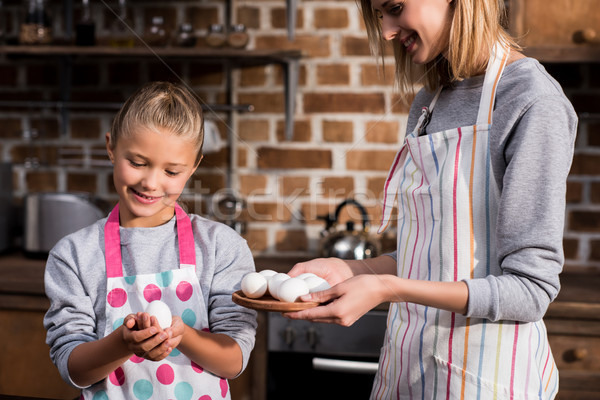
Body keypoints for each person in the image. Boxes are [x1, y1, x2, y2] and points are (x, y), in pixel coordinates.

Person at [287, 0, 577, 399]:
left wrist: (389, 288)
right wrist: (356, 271)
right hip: (406, 370)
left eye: (395, 7)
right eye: (380, 16)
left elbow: (530, 291)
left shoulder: (531, 100)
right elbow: (437, 254)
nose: (388, 31)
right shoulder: (432, 99)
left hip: (484, 378)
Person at [44, 82, 257, 399]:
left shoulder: (222, 247)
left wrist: (181, 335)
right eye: (138, 163)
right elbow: (73, 369)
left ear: (194, 167)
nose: (151, 182)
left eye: (172, 171)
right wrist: (123, 343)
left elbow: (234, 359)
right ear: (111, 147)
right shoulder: (74, 255)